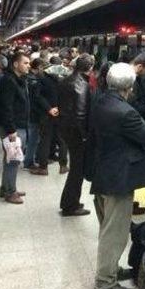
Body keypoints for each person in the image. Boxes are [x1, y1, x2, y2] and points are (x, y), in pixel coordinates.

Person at [89, 63, 145, 289]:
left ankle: (112, 269)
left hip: (102, 173)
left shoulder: (99, 101)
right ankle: (105, 283)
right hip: (119, 179)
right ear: (129, 86)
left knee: (107, 227)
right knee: (114, 233)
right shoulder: (126, 112)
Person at [58, 53, 94, 216]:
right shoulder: (82, 85)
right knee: (77, 170)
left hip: (65, 127)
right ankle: (70, 205)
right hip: (76, 133)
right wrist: (85, 135)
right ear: (90, 68)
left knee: (75, 169)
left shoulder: (66, 80)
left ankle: (69, 201)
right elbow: (80, 114)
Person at [0, 52, 31, 205]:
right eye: (25, 63)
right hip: (12, 126)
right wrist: (11, 130)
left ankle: (6, 187)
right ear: (16, 64)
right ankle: (10, 192)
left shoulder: (19, 80)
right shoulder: (9, 81)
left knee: (9, 157)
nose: (28, 65)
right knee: (13, 160)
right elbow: (6, 107)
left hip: (18, 123)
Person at [32, 57, 70, 175]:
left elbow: (37, 96)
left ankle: (43, 168)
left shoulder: (42, 78)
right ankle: (63, 165)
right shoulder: (67, 78)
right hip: (62, 114)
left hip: (46, 114)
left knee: (45, 139)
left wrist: (49, 108)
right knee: (62, 139)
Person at [24, 58, 45, 170]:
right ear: (39, 67)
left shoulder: (27, 78)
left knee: (31, 138)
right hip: (33, 113)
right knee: (33, 139)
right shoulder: (34, 81)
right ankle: (29, 162)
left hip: (28, 111)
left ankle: (30, 159)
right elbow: (36, 99)